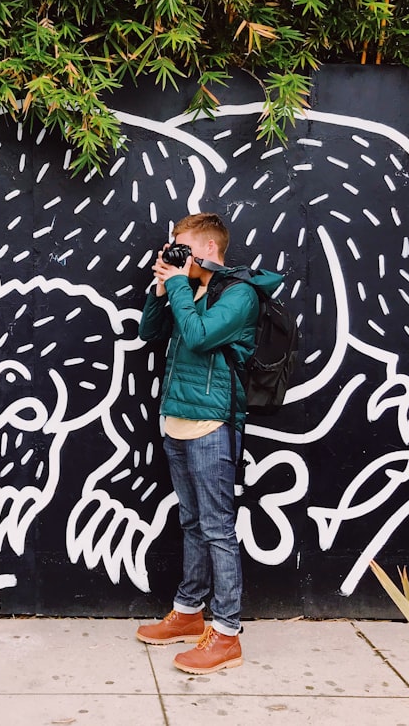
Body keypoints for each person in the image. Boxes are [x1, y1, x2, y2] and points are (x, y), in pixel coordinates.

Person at [135, 212, 282, 674]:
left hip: (212, 424)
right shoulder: (187, 287)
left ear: (208, 250)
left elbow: (198, 338)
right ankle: (188, 610)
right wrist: (163, 291)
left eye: (181, 248)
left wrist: (178, 285)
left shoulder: (239, 294)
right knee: (193, 521)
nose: (175, 255)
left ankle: (227, 634)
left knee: (217, 527)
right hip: (177, 419)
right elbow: (149, 334)